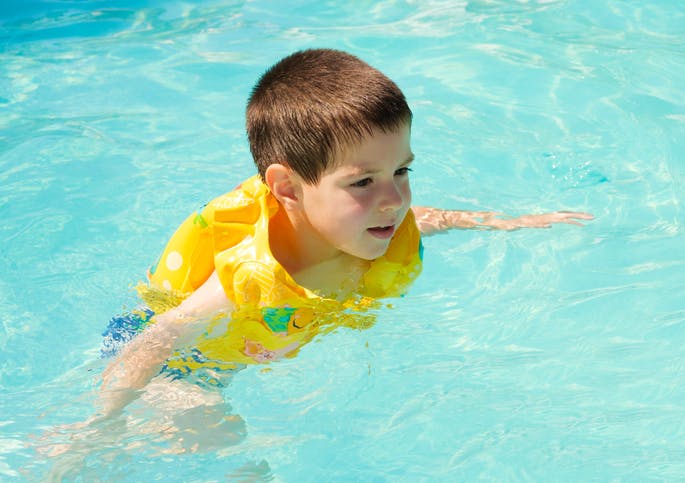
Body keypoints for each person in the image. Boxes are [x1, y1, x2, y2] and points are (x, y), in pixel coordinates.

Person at [98, 48, 592, 420]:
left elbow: (429, 218)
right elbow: (155, 340)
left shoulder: (374, 222)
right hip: (172, 365)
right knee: (227, 445)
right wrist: (97, 427)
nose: (395, 200)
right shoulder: (245, 277)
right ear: (288, 188)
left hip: (228, 349)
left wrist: (504, 222)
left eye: (402, 171)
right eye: (363, 182)